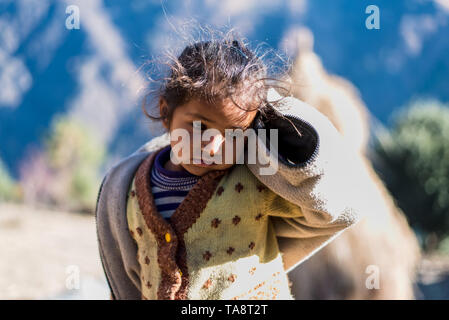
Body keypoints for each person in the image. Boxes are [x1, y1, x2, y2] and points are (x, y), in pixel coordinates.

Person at [95, 34, 364, 300]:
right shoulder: (129, 188)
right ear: (166, 113)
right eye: (199, 127)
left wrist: (275, 115)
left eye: (234, 134)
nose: (212, 148)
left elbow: (331, 202)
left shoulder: (256, 180)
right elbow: (129, 274)